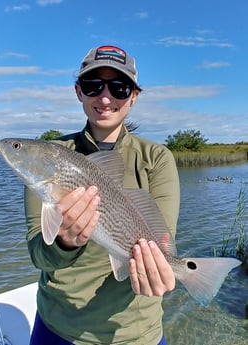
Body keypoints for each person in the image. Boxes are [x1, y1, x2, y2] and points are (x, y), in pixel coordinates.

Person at [26, 45, 180, 345]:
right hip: (57, 326)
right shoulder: (49, 158)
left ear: (133, 96)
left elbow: (163, 242)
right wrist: (64, 242)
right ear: (78, 91)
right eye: (93, 85)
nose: (105, 97)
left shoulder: (157, 159)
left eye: (120, 88)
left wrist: (160, 271)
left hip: (134, 334)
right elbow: (38, 256)